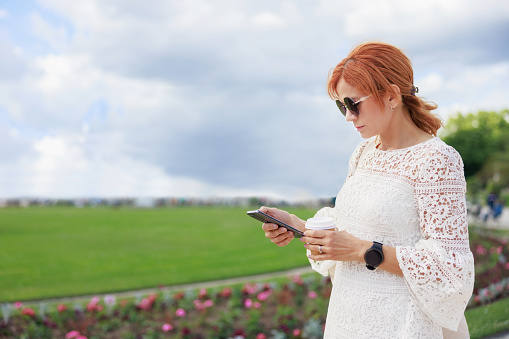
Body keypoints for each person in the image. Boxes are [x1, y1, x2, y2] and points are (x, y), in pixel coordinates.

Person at [259, 42, 474, 338]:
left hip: (402, 325)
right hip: (348, 319)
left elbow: (450, 269)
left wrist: (364, 251)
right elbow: (355, 225)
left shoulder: (437, 160)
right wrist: (300, 227)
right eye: (341, 105)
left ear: (392, 95)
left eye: (353, 103)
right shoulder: (364, 152)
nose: (348, 116)